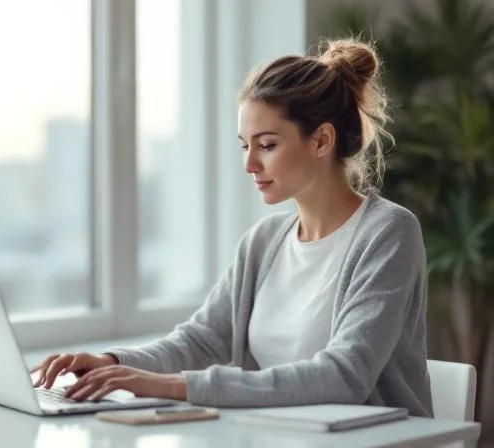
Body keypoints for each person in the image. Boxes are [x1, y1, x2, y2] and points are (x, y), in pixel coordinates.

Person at [31, 38, 433, 418]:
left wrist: (172, 386)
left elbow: (344, 374)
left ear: (321, 140)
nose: (250, 165)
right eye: (245, 145)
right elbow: (202, 340)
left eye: (267, 145)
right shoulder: (264, 242)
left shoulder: (388, 232)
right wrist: (113, 362)